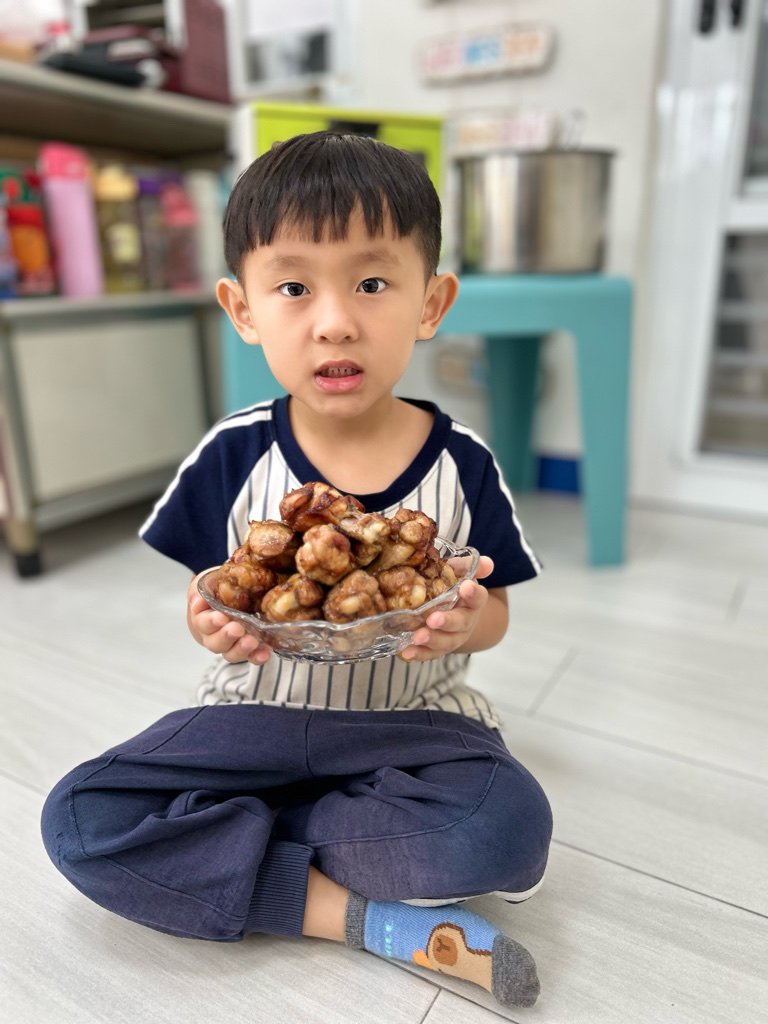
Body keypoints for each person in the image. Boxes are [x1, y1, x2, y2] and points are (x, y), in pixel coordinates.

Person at [41, 131, 553, 1009]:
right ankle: (363, 916)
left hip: (411, 729)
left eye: (372, 284)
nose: (335, 321)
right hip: (253, 724)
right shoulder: (231, 452)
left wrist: (470, 622)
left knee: (507, 827)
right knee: (78, 819)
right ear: (242, 310)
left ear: (432, 302)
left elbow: (497, 609)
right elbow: (210, 592)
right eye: (293, 288)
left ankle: (241, 849)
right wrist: (207, 622)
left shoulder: (463, 461)